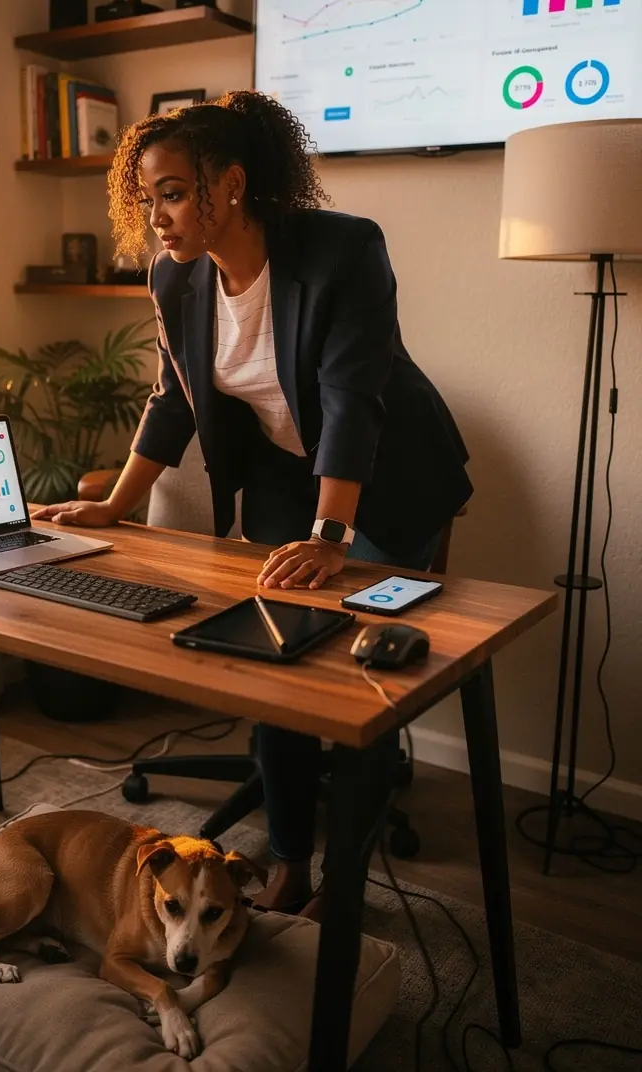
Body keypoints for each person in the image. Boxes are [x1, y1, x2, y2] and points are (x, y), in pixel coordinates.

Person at [33, 90, 472, 915]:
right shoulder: (176, 277)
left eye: (171, 192)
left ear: (228, 185)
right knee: (276, 663)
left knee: (358, 683)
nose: (156, 217)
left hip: (390, 473)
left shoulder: (342, 250)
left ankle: (349, 875)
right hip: (284, 477)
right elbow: (172, 398)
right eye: (147, 197)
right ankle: (291, 858)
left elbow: (349, 398)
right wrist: (118, 506)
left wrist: (333, 534)